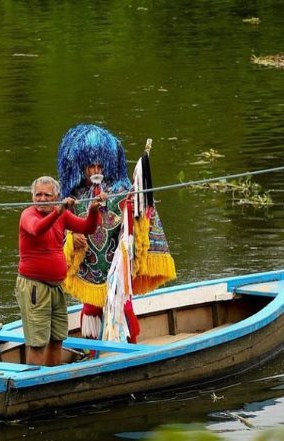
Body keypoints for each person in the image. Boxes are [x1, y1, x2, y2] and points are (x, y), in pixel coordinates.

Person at [57, 124, 176, 344]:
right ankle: (93, 350)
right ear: (81, 166)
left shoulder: (123, 191)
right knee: (91, 308)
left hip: (116, 265)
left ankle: (131, 348)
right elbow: (60, 231)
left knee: (123, 304)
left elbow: (140, 223)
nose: (95, 171)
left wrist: (138, 210)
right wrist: (72, 239)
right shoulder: (72, 196)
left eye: (99, 166)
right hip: (88, 266)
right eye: (90, 166)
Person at [16, 175, 106, 366]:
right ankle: (34, 386)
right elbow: (37, 230)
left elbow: (88, 228)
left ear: (56, 195)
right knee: (38, 343)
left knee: (57, 338)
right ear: (32, 197)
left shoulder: (62, 215)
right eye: (38, 195)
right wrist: (58, 210)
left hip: (56, 287)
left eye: (47, 195)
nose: (41, 199)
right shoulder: (28, 215)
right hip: (34, 287)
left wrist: (92, 210)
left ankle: (52, 379)